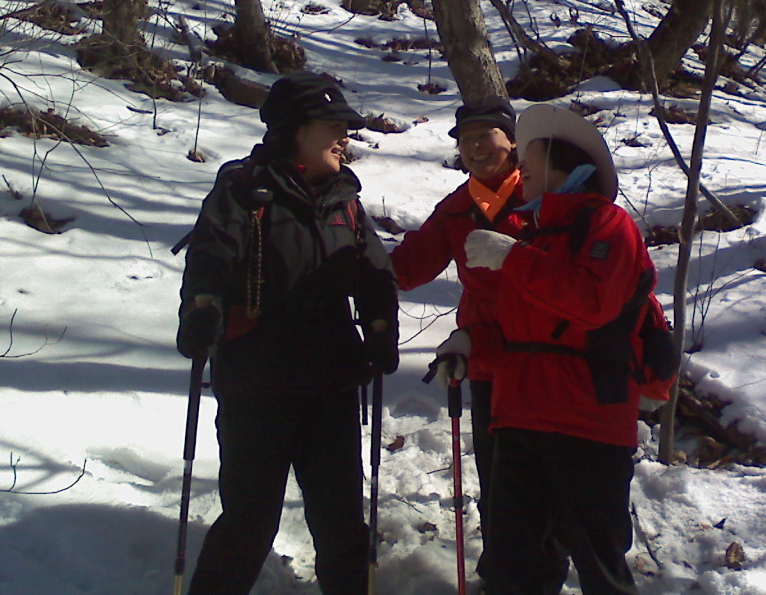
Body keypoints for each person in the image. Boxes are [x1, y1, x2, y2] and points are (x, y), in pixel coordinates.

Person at [176, 72, 399, 595]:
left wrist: (381, 326)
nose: (344, 136)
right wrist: (202, 310)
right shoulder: (244, 188)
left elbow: (373, 273)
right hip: (259, 385)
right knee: (250, 523)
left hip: (331, 386)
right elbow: (210, 256)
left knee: (342, 523)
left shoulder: (346, 200)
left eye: (346, 126)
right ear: (294, 129)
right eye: (332, 125)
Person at [465, 103, 662, 595]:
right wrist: (470, 343)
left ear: (567, 167)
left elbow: (593, 304)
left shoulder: (609, 225)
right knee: (514, 570)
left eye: (530, 156)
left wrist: (515, 258)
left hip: (587, 424)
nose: (520, 166)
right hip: (520, 421)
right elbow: (526, 338)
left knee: (600, 568)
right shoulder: (530, 236)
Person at [389, 95, 527, 584]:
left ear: (511, 139)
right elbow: (409, 267)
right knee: (498, 478)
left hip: (550, 363)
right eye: (466, 140)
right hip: (488, 362)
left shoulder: (544, 195)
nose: (475, 147)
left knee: (548, 477)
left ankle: (546, 567)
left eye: (485, 136)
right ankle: (502, 574)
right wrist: (354, 251)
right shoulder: (457, 209)